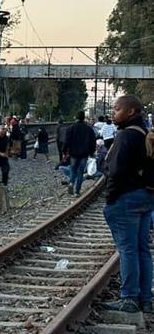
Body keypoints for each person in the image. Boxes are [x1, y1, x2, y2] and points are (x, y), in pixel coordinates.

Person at [100, 95, 154, 314]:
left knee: (128, 250)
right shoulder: (145, 135)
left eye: (117, 109)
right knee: (142, 250)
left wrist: (110, 200)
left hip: (126, 199)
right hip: (145, 198)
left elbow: (116, 172)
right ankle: (146, 299)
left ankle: (129, 298)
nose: (113, 112)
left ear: (131, 112)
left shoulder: (126, 136)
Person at [63, 111, 96, 196]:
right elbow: (93, 142)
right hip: (84, 154)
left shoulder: (71, 128)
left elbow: (66, 141)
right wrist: (92, 153)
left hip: (73, 153)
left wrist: (64, 151)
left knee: (73, 170)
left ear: (76, 118)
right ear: (84, 118)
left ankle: (71, 183)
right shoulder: (89, 129)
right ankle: (77, 191)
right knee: (80, 172)